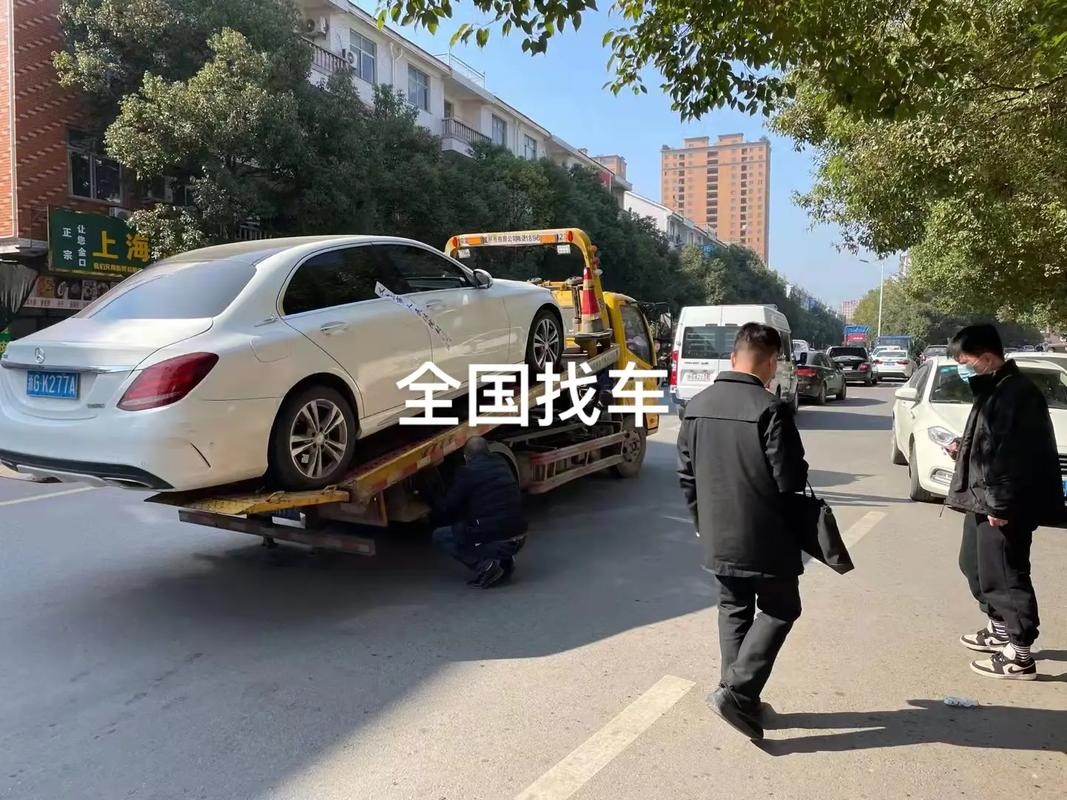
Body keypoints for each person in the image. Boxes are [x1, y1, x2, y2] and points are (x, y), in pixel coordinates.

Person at [677, 323, 809, 741]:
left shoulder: (696, 405)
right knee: (781, 608)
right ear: (771, 363)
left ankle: (739, 697)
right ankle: (736, 692)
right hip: (765, 535)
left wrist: (703, 524)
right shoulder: (770, 409)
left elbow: (686, 475)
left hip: (717, 533)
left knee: (734, 609)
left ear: (734, 357)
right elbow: (789, 478)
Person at [946, 324, 1065, 680]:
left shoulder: (1018, 394)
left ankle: (1020, 655)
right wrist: (962, 447)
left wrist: (1000, 505)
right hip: (983, 498)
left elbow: (1016, 456)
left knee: (1006, 574)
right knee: (974, 564)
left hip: (1005, 503)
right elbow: (990, 442)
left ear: (986, 358)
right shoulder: (994, 388)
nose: (963, 369)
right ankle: (998, 628)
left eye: (965, 362)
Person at [431, 436, 527, 589]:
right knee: (496, 516)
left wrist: (432, 478)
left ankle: (487, 567)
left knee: (440, 536)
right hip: (520, 537)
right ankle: (507, 562)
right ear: (488, 451)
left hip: (499, 540)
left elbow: (447, 506)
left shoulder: (467, 472)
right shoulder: (501, 463)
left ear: (466, 457)